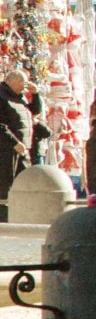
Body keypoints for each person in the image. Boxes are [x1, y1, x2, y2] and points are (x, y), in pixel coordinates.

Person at [0, 68, 36, 219]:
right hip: (7, 149)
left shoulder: (20, 98)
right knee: (5, 184)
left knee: (23, 182)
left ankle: (18, 215)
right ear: (10, 81)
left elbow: (35, 112)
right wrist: (14, 142)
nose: (24, 84)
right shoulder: (2, 97)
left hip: (22, 149)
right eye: (21, 81)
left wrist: (36, 95)